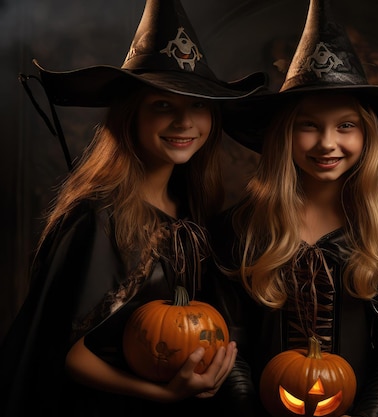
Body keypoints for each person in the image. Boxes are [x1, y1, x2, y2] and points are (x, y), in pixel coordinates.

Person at [0, 1, 267, 416]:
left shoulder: (189, 209)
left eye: (198, 105)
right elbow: (64, 352)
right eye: (163, 105)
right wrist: (163, 395)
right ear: (131, 117)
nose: (184, 122)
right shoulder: (97, 217)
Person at [206, 0, 378, 416]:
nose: (327, 143)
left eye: (345, 125)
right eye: (307, 125)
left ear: (367, 137)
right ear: (283, 136)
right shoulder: (242, 228)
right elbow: (229, 345)